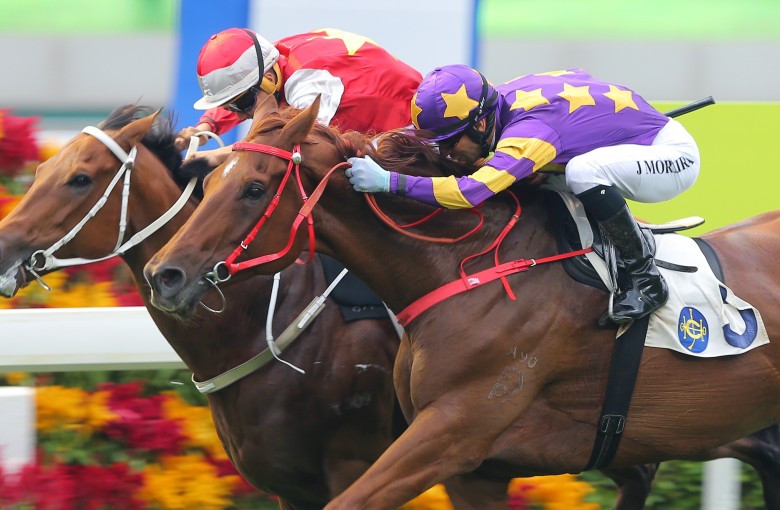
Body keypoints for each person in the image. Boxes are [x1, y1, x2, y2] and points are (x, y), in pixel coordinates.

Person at [345, 65, 701, 324]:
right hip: (626, 137)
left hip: (673, 158)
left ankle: (645, 278)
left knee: (581, 173)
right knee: (541, 180)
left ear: (482, 124)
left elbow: (471, 192)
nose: (446, 153)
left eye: (451, 142)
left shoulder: (529, 134)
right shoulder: (492, 104)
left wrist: (390, 182)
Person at [176, 27, 422, 166]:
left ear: (269, 80)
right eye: (230, 107)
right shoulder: (268, 60)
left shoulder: (306, 82)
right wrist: (206, 126)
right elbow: (241, 91)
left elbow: (288, 145)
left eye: (241, 105)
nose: (242, 115)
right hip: (367, 126)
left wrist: (211, 157)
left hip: (413, 132)